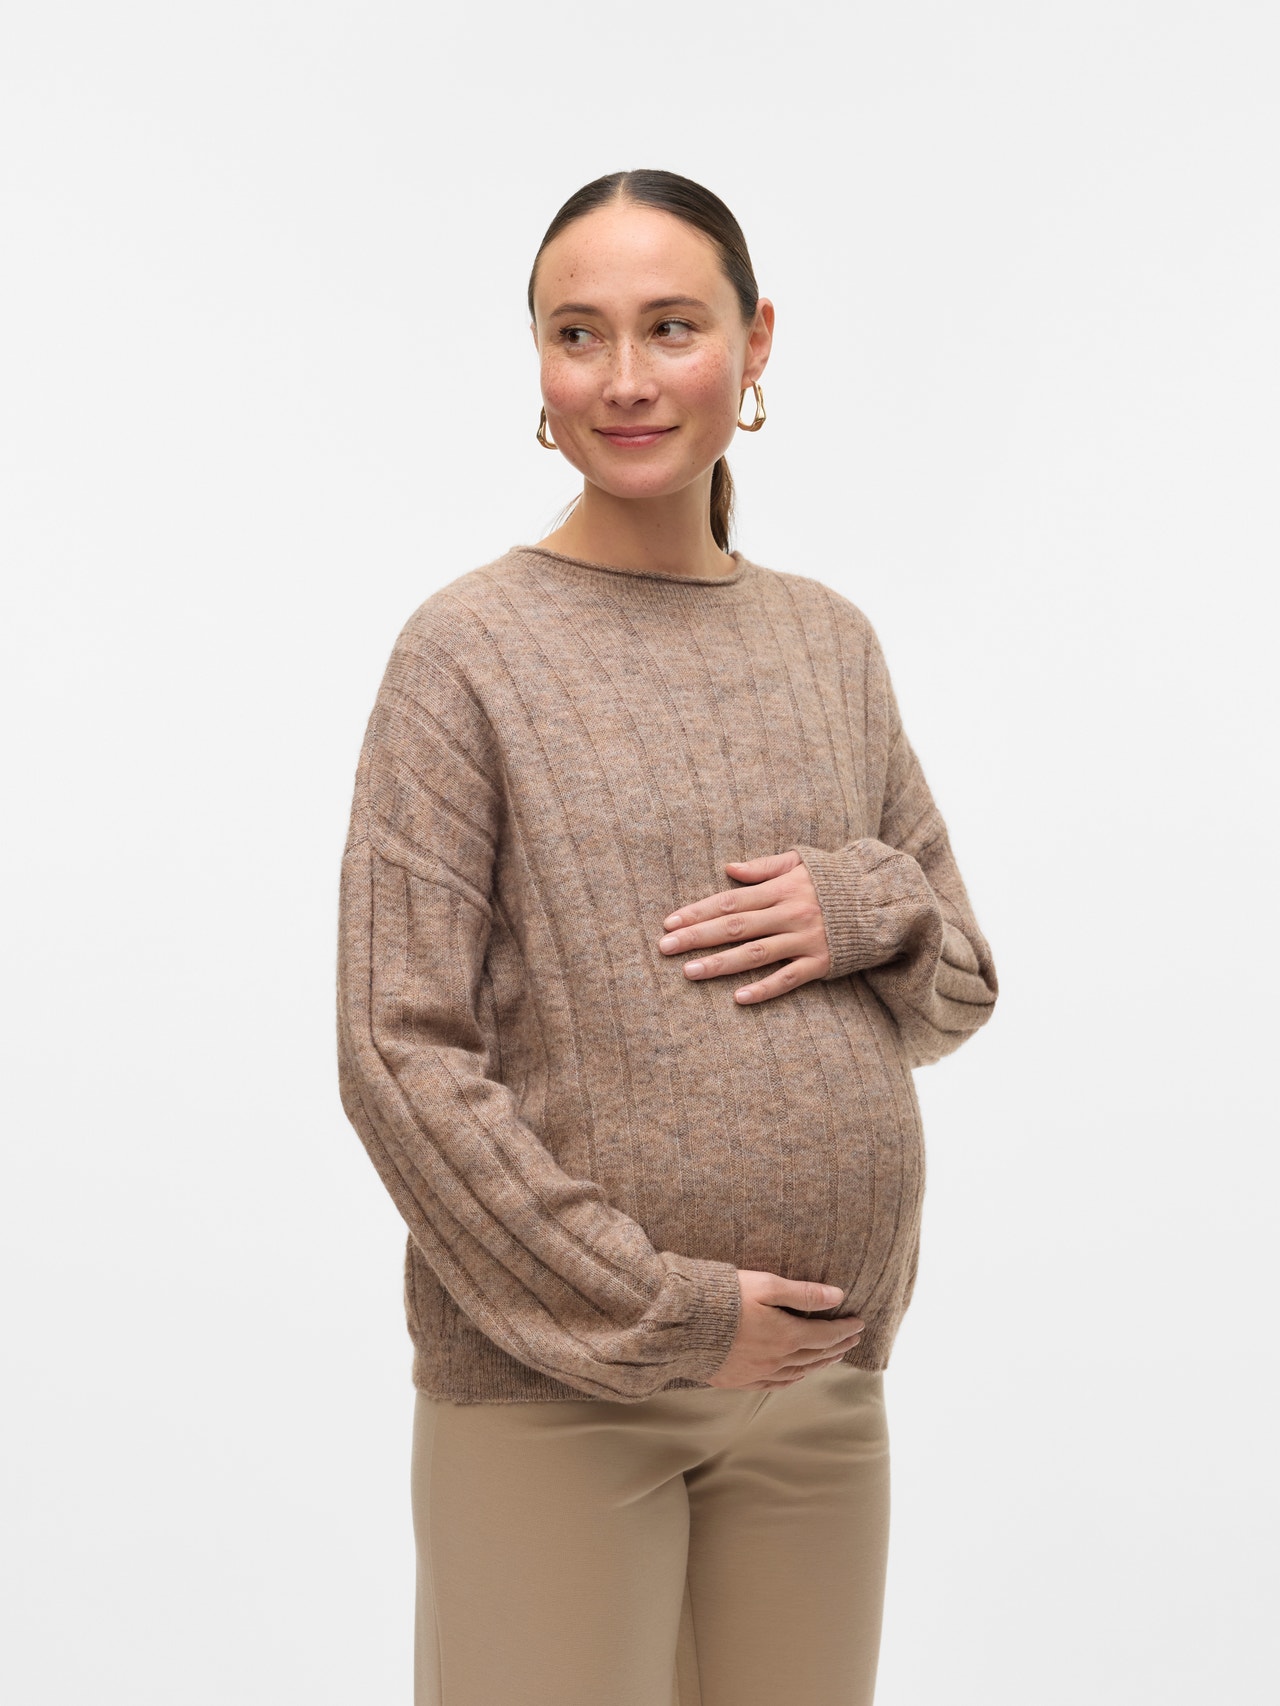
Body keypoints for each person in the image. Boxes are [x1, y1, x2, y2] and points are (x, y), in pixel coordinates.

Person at [335, 168, 999, 1706]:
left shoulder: (828, 642)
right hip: (558, 1394)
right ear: (539, 365)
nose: (624, 377)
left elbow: (957, 983)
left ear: (754, 344)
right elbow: (395, 1051)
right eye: (579, 333)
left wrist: (867, 902)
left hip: (820, 1389)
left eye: (672, 326)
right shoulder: (469, 650)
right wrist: (669, 1313)